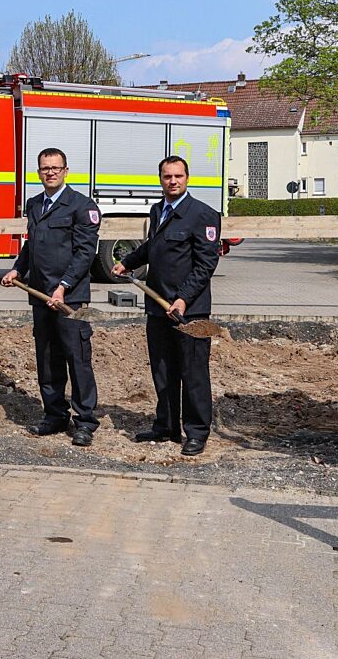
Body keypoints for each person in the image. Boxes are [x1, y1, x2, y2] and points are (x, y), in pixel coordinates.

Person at [112, 155, 221, 456]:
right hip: (158, 307)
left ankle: (196, 432)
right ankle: (167, 426)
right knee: (163, 370)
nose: (172, 181)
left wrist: (183, 298)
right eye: (166, 176)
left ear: (188, 178)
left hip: (190, 311)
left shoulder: (203, 215)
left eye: (178, 176)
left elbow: (205, 264)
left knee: (193, 372)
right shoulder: (158, 210)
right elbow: (153, 247)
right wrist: (128, 262)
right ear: (160, 179)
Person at [1, 148, 101, 447]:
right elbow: (31, 247)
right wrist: (18, 269)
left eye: (56, 168)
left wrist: (64, 286)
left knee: (77, 358)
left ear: (66, 171)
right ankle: (54, 414)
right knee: (47, 359)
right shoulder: (35, 205)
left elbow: (86, 252)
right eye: (45, 168)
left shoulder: (82, 206)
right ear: (38, 172)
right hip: (40, 294)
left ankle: (84, 421)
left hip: (70, 299)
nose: (50, 172)